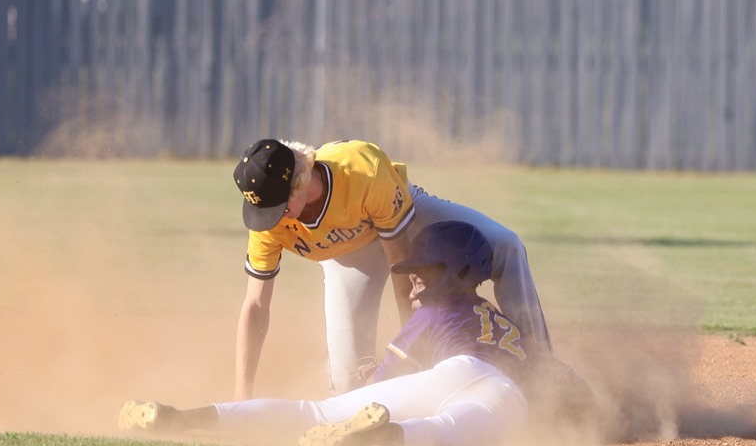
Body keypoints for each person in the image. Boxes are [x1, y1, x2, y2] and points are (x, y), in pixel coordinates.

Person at [119, 221, 533, 446]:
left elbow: (381, 383)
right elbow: (549, 380)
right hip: (509, 399)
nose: (413, 277)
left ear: (455, 272)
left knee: (317, 413)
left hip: (454, 372)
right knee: (445, 435)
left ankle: (179, 418)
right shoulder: (499, 321)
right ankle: (381, 436)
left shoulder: (435, 313)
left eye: (425, 268)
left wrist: (367, 388)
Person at [231, 138, 552, 399]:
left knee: (506, 245)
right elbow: (256, 304)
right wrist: (243, 390)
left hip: (402, 220)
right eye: (263, 209)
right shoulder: (268, 222)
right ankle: (340, 372)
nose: (273, 219)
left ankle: (546, 372)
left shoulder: (362, 171)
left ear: (299, 182)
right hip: (346, 257)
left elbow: (400, 262)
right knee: (348, 389)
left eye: (279, 207)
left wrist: (415, 348)